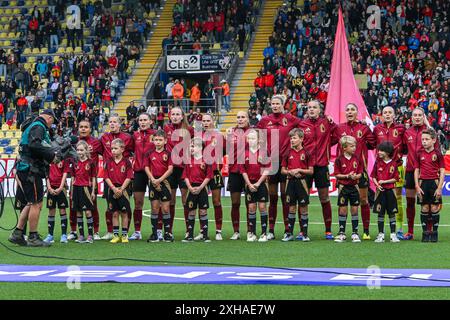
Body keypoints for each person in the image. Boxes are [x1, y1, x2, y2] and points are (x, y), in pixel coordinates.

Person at [9, 109, 60, 247]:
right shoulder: (39, 126)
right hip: (31, 170)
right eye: (52, 121)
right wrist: (51, 156)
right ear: (49, 118)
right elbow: (35, 145)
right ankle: (33, 236)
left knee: (31, 202)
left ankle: (18, 233)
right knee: (37, 203)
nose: (51, 124)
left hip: (26, 169)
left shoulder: (33, 125)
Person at [257, 95, 302, 240]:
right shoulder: (264, 121)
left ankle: (287, 229)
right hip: (271, 163)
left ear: (283, 105)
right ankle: (270, 230)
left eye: (277, 104)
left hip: (285, 162)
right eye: (273, 104)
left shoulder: (290, 118)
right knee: (272, 197)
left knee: (285, 197)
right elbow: (258, 137)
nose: (275, 106)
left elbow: (305, 126)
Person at [332, 103, 377, 240]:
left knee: (363, 200)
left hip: (360, 172)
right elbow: (330, 140)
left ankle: (366, 231)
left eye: (352, 109)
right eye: (348, 109)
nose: (350, 111)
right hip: (344, 173)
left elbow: (373, 144)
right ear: (345, 113)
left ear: (357, 112)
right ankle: (341, 232)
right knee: (343, 202)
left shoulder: (363, 128)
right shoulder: (339, 128)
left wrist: (368, 126)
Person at [298, 99, 336, 240]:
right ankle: (302, 231)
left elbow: (337, 135)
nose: (312, 109)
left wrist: (326, 146)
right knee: (303, 199)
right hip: (305, 167)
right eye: (309, 107)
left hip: (321, 166)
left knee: (324, 198)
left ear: (320, 110)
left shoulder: (326, 123)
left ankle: (328, 230)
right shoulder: (301, 124)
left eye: (314, 107)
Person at [403, 107, 437, 240]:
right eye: (415, 115)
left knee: (428, 203)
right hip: (411, 171)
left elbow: (436, 151)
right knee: (410, 202)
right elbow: (403, 149)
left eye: (419, 115)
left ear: (423, 117)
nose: (417, 117)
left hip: (427, 172)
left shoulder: (430, 132)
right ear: (411, 117)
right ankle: (410, 231)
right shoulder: (407, 132)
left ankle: (429, 231)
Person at [373, 106, 406, 239]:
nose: (387, 114)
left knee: (397, 199)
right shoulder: (376, 129)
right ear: (382, 115)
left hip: (397, 167)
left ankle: (398, 229)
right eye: (385, 112)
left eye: (390, 112)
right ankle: (381, 232)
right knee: (380, 197)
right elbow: (370, 143)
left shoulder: (401, 129)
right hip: (380, 168)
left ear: (394, 114)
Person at [100, 115, 134, 240]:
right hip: (110, 179)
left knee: (125, 209)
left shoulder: (128, 138)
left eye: (115, 122)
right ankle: (111, 232)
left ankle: (125, 234)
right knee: (110, 208)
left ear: (120, 124)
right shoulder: (104, 137)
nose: (112, 124)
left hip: (123, 179)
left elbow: (132, 151)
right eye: (110, 122)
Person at [68, 119, 103, 241]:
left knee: (93, 207)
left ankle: (95, 231)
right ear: (78, 128)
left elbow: (107, 154)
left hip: (90, 182)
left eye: (86, 127)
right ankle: (73, 231)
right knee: (74, 207)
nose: (83, 129)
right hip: (76, 181)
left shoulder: (96, 142)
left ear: (90, 129)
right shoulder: (73, 142)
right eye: (81, 127)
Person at [164, 107, 194, 235]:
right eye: (173, 114)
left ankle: (189, 230)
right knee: (170, 200)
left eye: (177, 114)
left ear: (182, 116)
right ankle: (169, 231)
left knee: (184, 200)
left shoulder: (189, 130)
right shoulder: (166, 129)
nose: (175, 116)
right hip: (170, 169)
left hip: (184, 168)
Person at [281, 128, 313, 242]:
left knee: (303, 208)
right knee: (292, 208)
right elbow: (283, 170)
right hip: (290, 183)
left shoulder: (307, 153)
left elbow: (311, 171)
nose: (292, 140)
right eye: (291, 138)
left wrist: (300, 170)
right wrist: (290, 172)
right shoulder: (287, 153)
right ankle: (289, 234)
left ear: (301, 139)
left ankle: (304, 234)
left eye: (294, 138)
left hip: (302, 183)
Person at [197, 113, 225, 241]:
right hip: (201, 172)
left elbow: (225, 151)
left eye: (208, 120)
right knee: (201, 203)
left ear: (213, 121)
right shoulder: (198, 136)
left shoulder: (219, 136)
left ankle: (218, 230)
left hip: (215, 172)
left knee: (216, 201)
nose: (206, 123)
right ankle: (202, 231)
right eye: (204, 121)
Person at [414, 129, 445, 242]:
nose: (424, 141)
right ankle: (425, 233)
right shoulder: (419, 153)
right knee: (425, 207)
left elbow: (442, 170)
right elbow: (416, 170)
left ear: (433, 140)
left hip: (434, 183)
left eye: (427, 139)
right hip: (423, 183)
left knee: (434, 207)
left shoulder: (437, 153)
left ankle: (434, 233)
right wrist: (417, 185)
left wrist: (440, 187)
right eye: (422, 139)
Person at [241, 129, 270, 242]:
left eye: (253, 138)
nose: (250, 140)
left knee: (262, 207)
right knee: (251, 208)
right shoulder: (244, 153)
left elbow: (267, 169)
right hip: (249, 184)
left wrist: (258, 183)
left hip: (261, 184)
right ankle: (251, 233)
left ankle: (263, 233)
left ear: (259, 140)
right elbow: (243, 170)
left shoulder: (264, 151)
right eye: (249, 138)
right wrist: (249, 184)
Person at [182, 137, 213, 242]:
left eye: (193, 146)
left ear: (200, 148)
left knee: (203, 211)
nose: (191, 148)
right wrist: (190, 187)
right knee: (191, 212)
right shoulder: (187, 161)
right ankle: (189, 235)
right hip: (191, 188)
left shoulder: (206, 161)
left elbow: (208, 176)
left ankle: (205, 235)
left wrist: (200, 187)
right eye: (190, 146)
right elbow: (185, 176)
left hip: (202, 188)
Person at [129, 113, 155, 240]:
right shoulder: (135, 136)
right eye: (141, 120)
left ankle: (157, 231)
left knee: (156, 203)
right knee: (138, 203)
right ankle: (137, 232)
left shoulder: (156, 135)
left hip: (154, 173)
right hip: (139, 171)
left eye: (145, 120)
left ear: (151, 121)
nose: (143, 122)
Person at [333, 136, 363, 243]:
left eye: (355, 146)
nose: (354, 148)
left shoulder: (358, 158)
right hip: (343, 187)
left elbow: (360, 173)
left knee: (354, 209)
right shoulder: (339, 160)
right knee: (343, 209)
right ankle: (342, 233)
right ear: (344, 148)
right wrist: (347, 176)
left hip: (354, 187)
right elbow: (336, 174)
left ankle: (355, 233)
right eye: (351, 146)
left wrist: (356, 177)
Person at [226, 111, 251, 239]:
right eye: (238, 117)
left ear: (248, 118)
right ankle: (236, 231)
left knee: (249, 203)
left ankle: (249, 231)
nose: (240, 119)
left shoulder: (253, 133)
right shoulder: (231, 133)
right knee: (235, 203)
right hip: (235, 171)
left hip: (249, 171)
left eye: (243, 117)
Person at [145, 130, 174, 242]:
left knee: (166, 208)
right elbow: (147, 168)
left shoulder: (168, 154)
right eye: (156, 140)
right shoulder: (149, 154)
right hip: (153, 182)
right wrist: (152, 179)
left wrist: (160, 180)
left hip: (165, 182)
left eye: (160, 140)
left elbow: (170, 169)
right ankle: (155, 234)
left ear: (165, 141)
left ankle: (167, 233)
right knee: (154, 208)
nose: (158, 142)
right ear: (153, 140)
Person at [104, 139, 134, 244]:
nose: (113, 150)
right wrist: (113, 188)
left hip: (123, 190)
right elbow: (106, 177)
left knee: (124, 213)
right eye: (112, 148)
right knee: (115, 213)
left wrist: (121, 189)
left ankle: (124, 235)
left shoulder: (127, 162)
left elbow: (129, 177)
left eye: (115, 148)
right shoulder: (108, 162)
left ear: (122, 149)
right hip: (112, 190)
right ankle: (116, 235)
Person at [371, 141, 401, 243]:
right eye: (379, 150)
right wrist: (377, 184)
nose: (379, 152)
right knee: (380, 213)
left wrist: (384, 181)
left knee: (392, 213)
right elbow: (373, 176)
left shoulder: (394, 163)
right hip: (380, 192)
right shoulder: (377, 163)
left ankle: (393, 234)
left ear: (388, 152)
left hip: (390, 191)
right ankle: (381, 234)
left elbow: (396, 179)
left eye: (381, 150)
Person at [70, 140, 96, 244]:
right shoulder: (74, 162)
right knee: (78, 212)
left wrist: (93, 191)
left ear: (86, 150)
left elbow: (94, 177)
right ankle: (81, 235)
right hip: (76, 188)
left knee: (88, 211)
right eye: (78, 150)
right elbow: (72, 178)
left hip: (86, 189)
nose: (79, 152)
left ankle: (90, 235)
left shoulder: (91, 162)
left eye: (81, 150)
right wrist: (71, 192)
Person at [43, 159, 70, 244]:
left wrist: (61, 187)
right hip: (51, 188)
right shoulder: (48, 159)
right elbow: (46, 175)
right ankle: (50, 235)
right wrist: (49, 188)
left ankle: (64, 235)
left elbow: (65, 175)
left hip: (61, 189)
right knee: (51, 211)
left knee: (62, 210)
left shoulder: (64, 159)